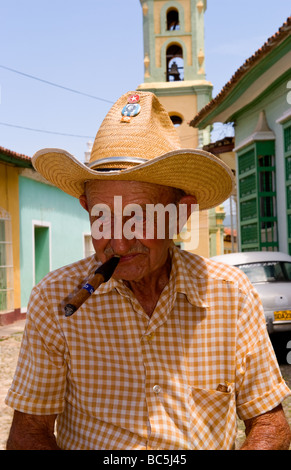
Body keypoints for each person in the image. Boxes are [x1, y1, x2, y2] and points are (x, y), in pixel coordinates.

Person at [6, 91, 291, 450]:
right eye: (101, 218)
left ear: (181, 213)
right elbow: (29, 434)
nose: (119, 244)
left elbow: (270, 423)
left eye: (139, 219)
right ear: (86, 207)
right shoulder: (56, 298)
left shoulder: (229, 293)